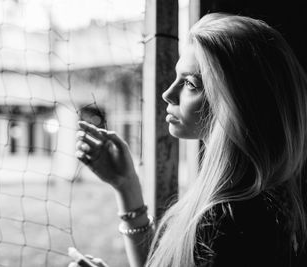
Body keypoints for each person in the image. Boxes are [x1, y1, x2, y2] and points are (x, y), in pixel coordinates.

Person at [69, 13, 307, 267]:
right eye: (176, 78)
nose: (167, 94)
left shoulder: (228, 222)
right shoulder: (256, 200)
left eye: (191, 84)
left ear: (239, 103)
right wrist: (126, 185)